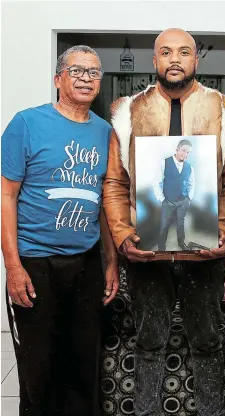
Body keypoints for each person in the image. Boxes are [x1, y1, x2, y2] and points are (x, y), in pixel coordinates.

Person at [103, 28, 225, 416]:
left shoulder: (223, 107)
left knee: (207, 342)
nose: (174, 59)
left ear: (195, 60)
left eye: (183, 52)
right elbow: (116, 183)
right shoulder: (127, 110)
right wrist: (121, 236)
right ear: (154, 61)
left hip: (204, 252)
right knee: (149, 342)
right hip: (145, 252)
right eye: (165, 52)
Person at [1, 45, 119, 416]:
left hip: (86, 263)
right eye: (77, 71)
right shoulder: (26, 123)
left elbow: (105, 201)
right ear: (58, 79)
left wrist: (111, 261)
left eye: (94, 72)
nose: (86, 78)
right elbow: (6, 196)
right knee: (39, 371)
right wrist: (12, 266)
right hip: (35, 262)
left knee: (84, 366)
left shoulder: (106, 133)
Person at [153, 139, 195, 250]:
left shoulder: (189, 167)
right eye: (183, 150)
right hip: (168, 201)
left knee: (181, 224)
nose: (185, 154)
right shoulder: (164, 163)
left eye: (188, 152)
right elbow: (157, 182)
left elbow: (192, 184)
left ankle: (181, 243)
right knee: (164, 226)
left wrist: (188, 198)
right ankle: (161, 247)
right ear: (177, 149)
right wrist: (162, 199)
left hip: (183, 201)